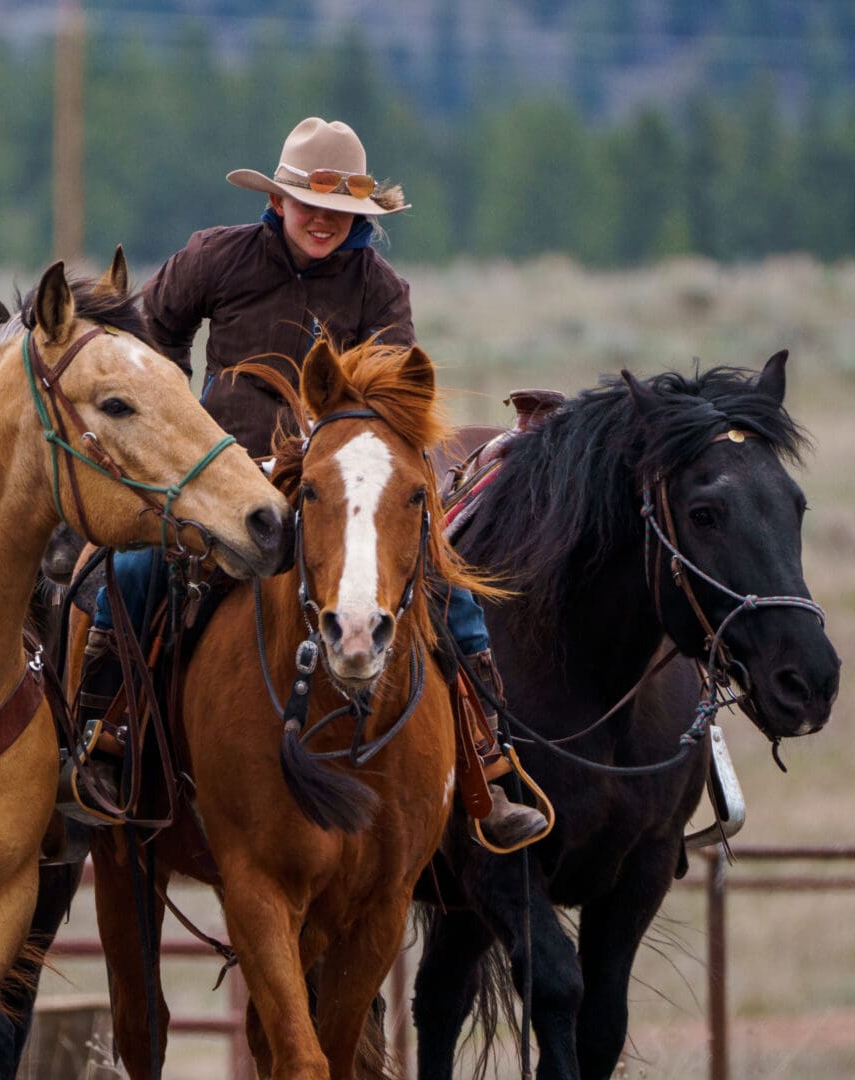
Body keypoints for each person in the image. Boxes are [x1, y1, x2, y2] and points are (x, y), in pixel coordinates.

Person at [60, 117, 547, 848]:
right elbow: (151, 337)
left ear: (358, 218)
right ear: (279, 200)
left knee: (450, 586)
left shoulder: (380, 290)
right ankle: (108, 737)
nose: (323, 221)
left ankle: (488, 760)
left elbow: (390, 400)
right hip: (219, 477)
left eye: (341, 212)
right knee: (130, 567)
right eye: (309, 204)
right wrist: (182, 433)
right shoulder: (214, 257)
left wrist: (334, 451)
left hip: (336, 483)